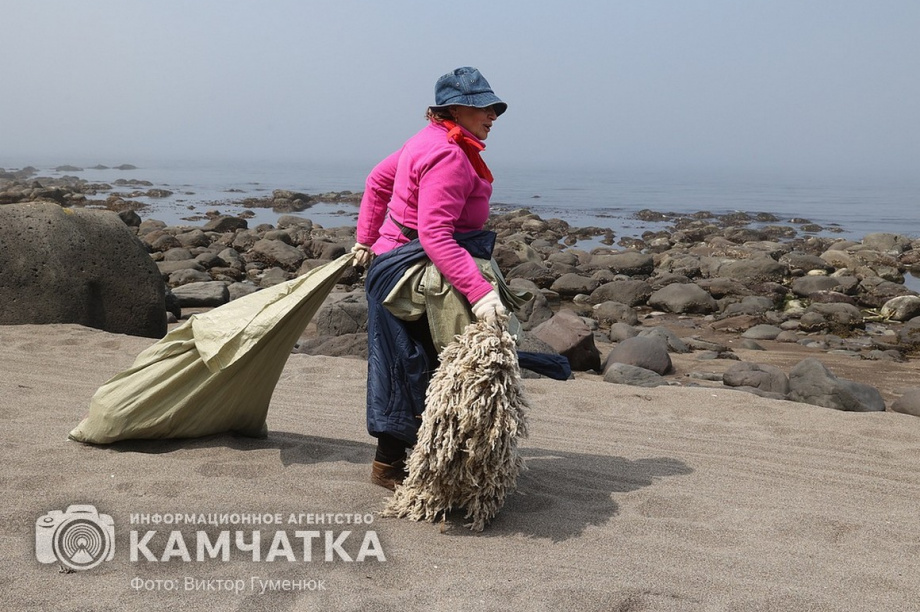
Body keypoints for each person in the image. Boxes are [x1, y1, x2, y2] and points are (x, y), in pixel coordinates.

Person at [352, 67, 510, 490]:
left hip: (390, 261)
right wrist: (480, 294)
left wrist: (367, 241)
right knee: (421, 365)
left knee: (406, 361)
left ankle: (404, 463)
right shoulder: (449, 156)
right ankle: (400, 468)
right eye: (481, 108)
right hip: (409, 275)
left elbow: (377, 180)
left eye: (493, 107)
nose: (491, 115)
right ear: (453, 109)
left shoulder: (425, 140)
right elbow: (435, 235)